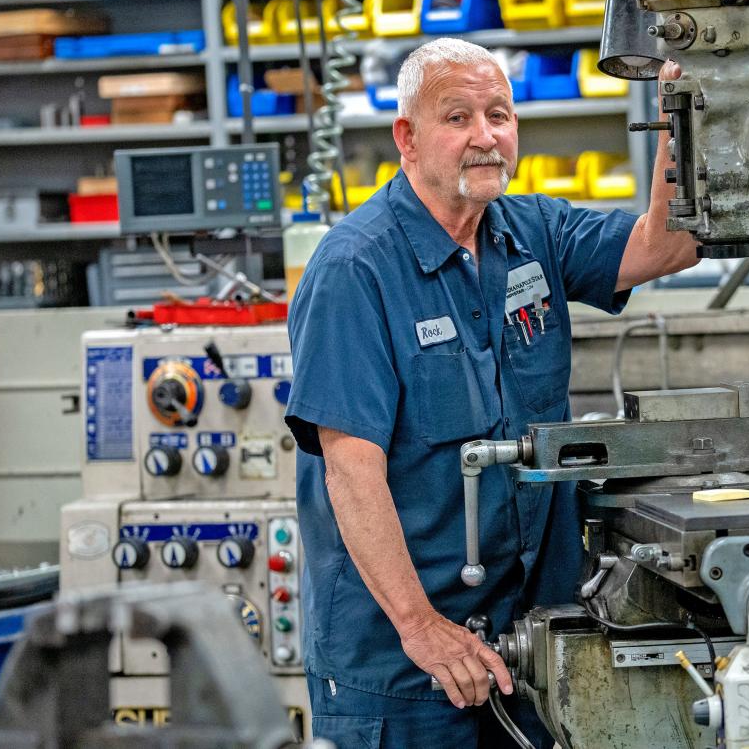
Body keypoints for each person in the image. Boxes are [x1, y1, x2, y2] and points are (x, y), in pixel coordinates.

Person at [284, 37, 697, 747]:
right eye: (459, 118)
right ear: (407, 139)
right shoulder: (354, 270)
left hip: (530, 647)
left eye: (499, 115)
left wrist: (683, 123)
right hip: (405, 669)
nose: (485, 137)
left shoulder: (532, 231)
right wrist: (421, 629)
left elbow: (665, 246)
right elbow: (351, 472)